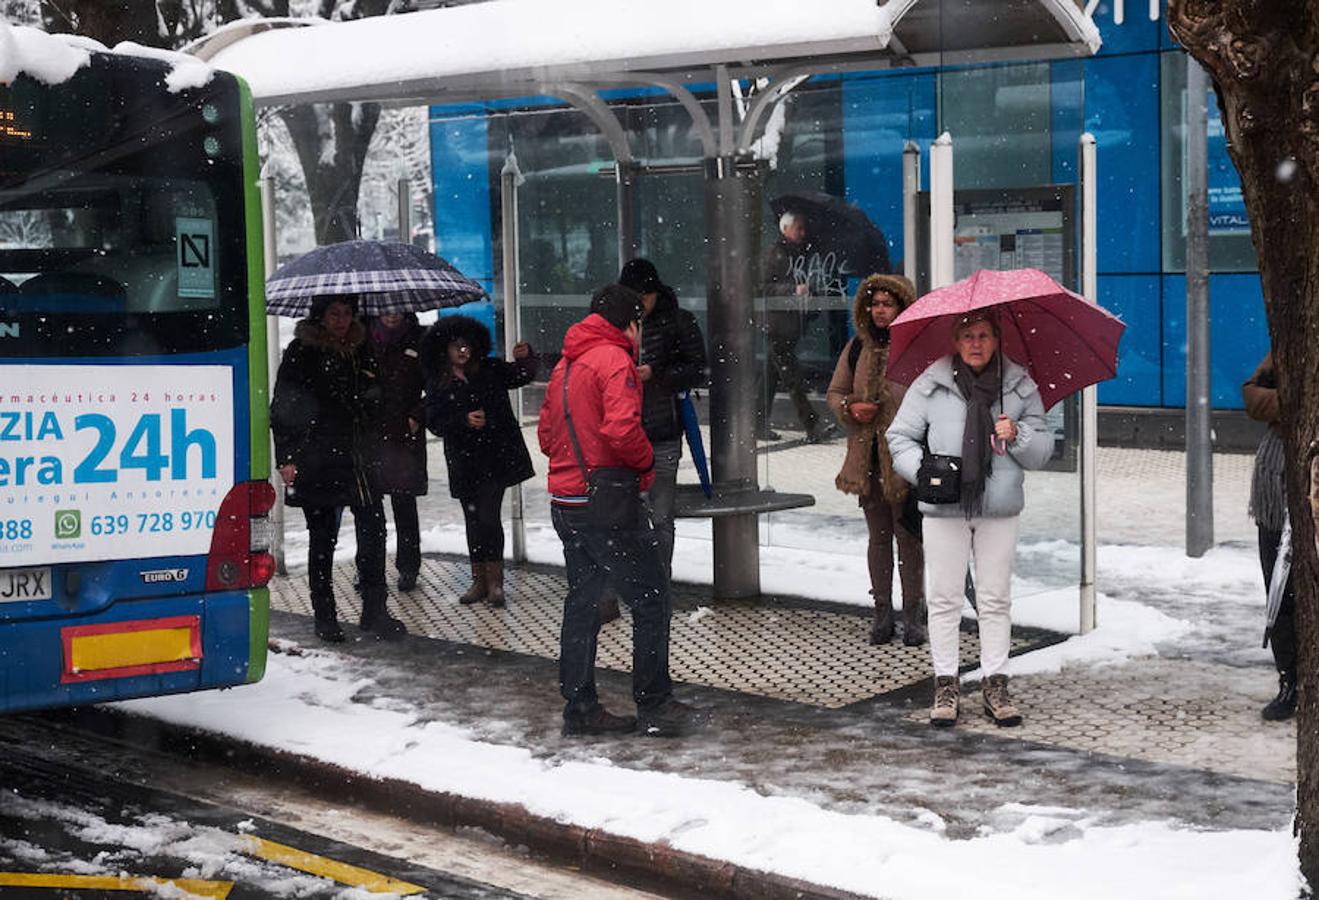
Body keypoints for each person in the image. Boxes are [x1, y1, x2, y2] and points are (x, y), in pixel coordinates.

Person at [886, 310, 1053, 727]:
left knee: (995, 599)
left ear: (997, 340)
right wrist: (923, 472)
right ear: (955, 342)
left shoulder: (1019, 385)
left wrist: (1019, 434)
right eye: (966, 336)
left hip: (998, 508)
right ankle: (946, 684)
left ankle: (996, 683)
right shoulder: (931, 383)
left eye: (982, 335)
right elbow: (899, 437)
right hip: (944, 507)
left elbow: (1043, 451)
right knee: (944, 599)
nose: (975, 343)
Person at [537, 284, 689, 737]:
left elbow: (546, 437)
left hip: (566, 502)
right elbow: (622, 429)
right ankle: (655, 703)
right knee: (650, 598)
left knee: (583, 602)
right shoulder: (614, 360)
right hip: (606, 503)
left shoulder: (566, 364)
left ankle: (580, 707)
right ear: (631, 323)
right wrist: (644, 464)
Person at [270, 294, 407, 643]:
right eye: (334, 313)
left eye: (347, 313)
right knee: (323, 539)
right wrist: (286, 456)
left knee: (374, 529)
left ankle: (375, 608)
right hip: (319, 456)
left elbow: (378, 390)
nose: (341, 320)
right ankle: (324, 612)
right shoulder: (302, 351)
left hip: (361, 456)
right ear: (320, 316)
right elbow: (284, 406)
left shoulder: (362, 347)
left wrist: (373, 398)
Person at [827, 274, 926, 647]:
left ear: (902, 306)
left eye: (888, 303)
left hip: (905, 460)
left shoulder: (915, 350)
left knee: (909, 539)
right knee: (879, 538)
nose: (880, 310)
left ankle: (913, 614)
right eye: (875, 303)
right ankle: (882, 611)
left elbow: (929, 399)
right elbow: (835, 392)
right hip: (867, 460)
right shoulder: (857, 348)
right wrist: (852, 407)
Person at [421, 314, 536, 608]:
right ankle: (479, 579)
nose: (463, 351)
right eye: (456, 346)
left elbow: (521, 375)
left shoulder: (490, 369)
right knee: (473, 520)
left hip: (493, 458)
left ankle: (495, 581)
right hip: (463, 461)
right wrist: (462, 420)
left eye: (467, 345)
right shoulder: (438, 381)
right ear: (444, 349)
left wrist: (526, 359)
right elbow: (433, 420)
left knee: (488, 517)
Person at [618, 258, 707, 579]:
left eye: (646, 297)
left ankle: (658, 581)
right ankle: (634, 580)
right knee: (626, 514)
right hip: (623, 434)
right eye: (635, 298)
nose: (642, 304)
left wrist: (657, 374)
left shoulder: (678, 322)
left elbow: (698, 368)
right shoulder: (616, 325)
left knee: (660, 514)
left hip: (662, 430)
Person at [1244, 353, 1296, 721]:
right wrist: (1293, 404)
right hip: (1275, 488)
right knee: (1280, 594)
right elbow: (1252, 395)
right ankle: (1290, 680)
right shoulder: (1291, 343)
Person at [363, 312, 427, 593]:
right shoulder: (362, 338)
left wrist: (417, 415)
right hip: (370, 433)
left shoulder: (420, 340)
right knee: (368, 507)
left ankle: (408, 567)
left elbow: (435, 387)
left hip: (405, 435)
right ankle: (368, 567)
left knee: (404, 504)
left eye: (398, 309)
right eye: (386, 310)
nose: (392, 315)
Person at [758, 211, 832, 442]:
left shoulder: (797, 254)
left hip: (788, 325)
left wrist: (806, 296)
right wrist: (792, 290)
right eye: (798, 228)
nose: (802, 233)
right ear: (785, 229)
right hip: (778, 325)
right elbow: (763, 289)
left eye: (803, 228)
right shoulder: (776, 254)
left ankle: (757, 424)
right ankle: (812, 424)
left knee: (771, 375)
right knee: (792, 377)